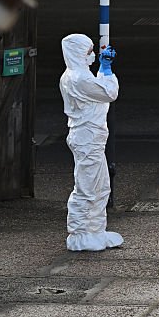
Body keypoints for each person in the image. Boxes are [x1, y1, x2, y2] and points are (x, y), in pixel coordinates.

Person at [60, 34, 124, 251]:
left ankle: (96, 230)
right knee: (87, 187)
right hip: (86, 138)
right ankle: (79, 234)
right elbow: (108, 92)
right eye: (88, 52)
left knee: (101, 186)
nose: (92, 55)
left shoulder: (76, 76)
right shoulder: (79, 78)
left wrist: (102, 71)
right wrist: (107, 70)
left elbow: (96, 90)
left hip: (92, 138)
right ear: (78, 53)